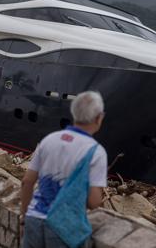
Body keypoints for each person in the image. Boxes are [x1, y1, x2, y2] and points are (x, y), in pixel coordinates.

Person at [20, 91, 108, 248]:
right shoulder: (96, 151)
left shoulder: (49, 139)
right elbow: (94, 202)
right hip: (63, 227)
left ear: (74, 113)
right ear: (99, 117)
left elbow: (27, 181)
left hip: (34, 219)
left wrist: (24, 216)